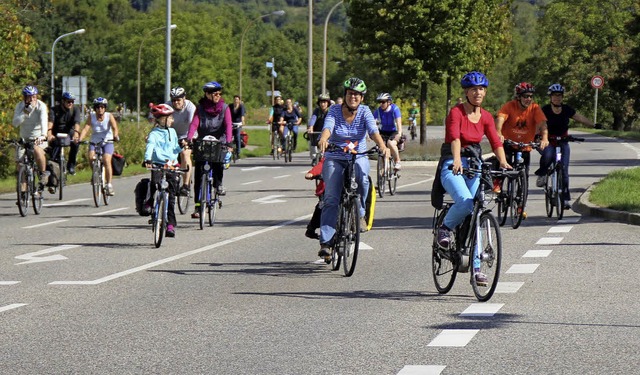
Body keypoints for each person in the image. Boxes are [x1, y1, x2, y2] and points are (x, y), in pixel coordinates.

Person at [435, 71, 510, 286]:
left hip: (474, 165)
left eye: (482, 89)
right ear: (467, 92)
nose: (478, 93)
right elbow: (455, 138)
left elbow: (496, 142)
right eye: (474, 89)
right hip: (453, 164)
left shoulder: (486, 116)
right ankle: (446, 228)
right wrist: (457, 160)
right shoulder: (456, 112)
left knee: (476, 211)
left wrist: (503, 162)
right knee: (466, 202)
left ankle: (476, 268)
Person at [317, 77, 388, 258]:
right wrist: (324, 139)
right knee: (331, 198)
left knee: (363, 176)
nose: (353, 97)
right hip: (335, 156)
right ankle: (326, 241)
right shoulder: (334, 110)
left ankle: (360, 214)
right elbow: (328, 127)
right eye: (350, 94)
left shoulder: (365, 112)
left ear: (362, 98)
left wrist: (382, 146)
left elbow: (373, 131)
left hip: (358, 156)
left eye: (357, 95)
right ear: (345, 95)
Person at [535, 83, 598, 208]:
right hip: (549, 141)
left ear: (562, 97)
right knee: (547, 155)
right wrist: (537, 136)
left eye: (559, 95)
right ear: (550, 97)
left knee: (564, 170)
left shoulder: (566, 109)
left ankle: (564, 199)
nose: (557, 98)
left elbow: (579, 117)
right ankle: (542, 174)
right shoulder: (545, 110)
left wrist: (593, 125)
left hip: (563, 141)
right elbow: (539, 124)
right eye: (554, 95)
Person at [185, 81, 233, 219]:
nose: (217, 96)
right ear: (207, 94)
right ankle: (198, 206)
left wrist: (228, 141)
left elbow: (228, 125)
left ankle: (218, 184)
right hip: (204, 139)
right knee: (199, 172)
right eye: (214, 94)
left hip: (220, 140)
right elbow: (194, 124)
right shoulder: (200, 108)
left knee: (218, 161)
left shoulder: (224, 108)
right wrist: (189, 138)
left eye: (219, 94)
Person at [144, 103, 183, 238]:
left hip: (172, 165)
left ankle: (170, 225)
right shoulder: (154, 133)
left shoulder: (172, 132)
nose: (172, 120)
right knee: (155, 183)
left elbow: (175, 149)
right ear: (162, 119)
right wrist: (148, 159)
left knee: (171, 196)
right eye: (170, 118)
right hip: (158, 164)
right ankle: (149, 201)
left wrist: (182, 147)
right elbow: (150, 146)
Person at [495, 82, 549, 177]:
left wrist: (544, 138)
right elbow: (500, 119)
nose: (528, 99)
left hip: (525, 145)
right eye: (525, 96)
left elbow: (542, 124)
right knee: (503, 168)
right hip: (509, 143)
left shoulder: (535, 108)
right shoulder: (509, 106)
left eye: (530, 96)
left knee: (525, 173)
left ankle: (523, 190)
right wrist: (498, 132)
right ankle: (497, 184)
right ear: (518, 97)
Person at [78, 97, 120, 196]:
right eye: (97, 107)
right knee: (91, 157)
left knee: (106, 160)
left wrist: (115, 136)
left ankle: (109, 185)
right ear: (95, 108)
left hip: (107, 141)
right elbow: (86, 129)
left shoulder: (109, 116)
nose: (100, 109)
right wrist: (80, 138)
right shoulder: (91, 116)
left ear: (105, 108)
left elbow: (115, 128)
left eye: (102, 107)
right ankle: (95, 174)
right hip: (95, 141)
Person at [12, 85, 49, 192]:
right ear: (24, 98)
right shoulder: (20, 106)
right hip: (24, 138)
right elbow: (15, 123)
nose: (32, 100)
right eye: (29, 97)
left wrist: (43, 135)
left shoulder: (41, 106)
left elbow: (44, 121)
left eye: (34, 97)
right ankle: (23, 191)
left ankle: (43, 174)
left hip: (38, 138)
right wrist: (25, 113)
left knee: (37, 150)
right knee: (20, 163)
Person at [167, 87, 196, 196]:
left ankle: (186, 185)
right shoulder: (168, 106)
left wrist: (188, 139)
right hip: (173, 135)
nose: (176, 103)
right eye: (174, 100)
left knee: (185, 153)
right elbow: (162, 122)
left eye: (178, 100)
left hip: (188, 134)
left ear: (184, 98)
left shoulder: (190, 107)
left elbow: (193, 124)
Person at [47, 92, 81, 177]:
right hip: (56, 131)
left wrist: (76, 133)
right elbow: (50, 122)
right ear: (63, 101)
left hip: (69, 131)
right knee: (53, 152)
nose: (71, 104)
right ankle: (53, 171)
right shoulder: (54, 110)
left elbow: (77, 123)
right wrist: (49, 133)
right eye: (68, 101)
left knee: (75, 143)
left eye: (72, 102)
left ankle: (71, 165)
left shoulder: (75, 109)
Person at [373, 92, 403, 170]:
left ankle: (397, 161)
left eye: (383, 102)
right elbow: (372, 123)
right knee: (381, 147)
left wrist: (399, 134)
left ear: (389, 102)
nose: (381, 104)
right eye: (380, 102)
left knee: (391, 143)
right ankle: (382, 172)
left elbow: (399, 122)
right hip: (383, 132)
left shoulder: (394, 109)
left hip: (393, 131)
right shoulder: (378, 111)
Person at [304, 156, 325, 240]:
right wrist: (312, 173)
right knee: (322, 206)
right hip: (328, 189)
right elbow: (322, 164)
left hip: (345, 188)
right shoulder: (334, 153)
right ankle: (311, 227)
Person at [307, 93, 331, 161]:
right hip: (317, 131)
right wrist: (311, 127)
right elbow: (313, 118)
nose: (322, 104)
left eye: (324, 102)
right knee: (313, 143)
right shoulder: (317, 111)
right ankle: (314, 158)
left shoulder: (330, 111)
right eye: (321, 102)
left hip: (327, 131)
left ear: (328, 103)